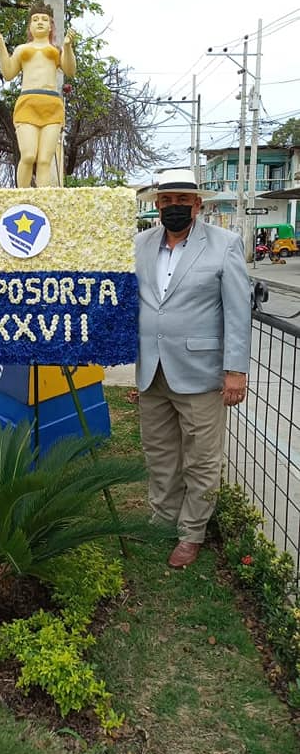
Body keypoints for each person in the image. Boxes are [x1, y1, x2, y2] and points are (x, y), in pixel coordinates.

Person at [135, 168, 252, 568]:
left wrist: (235, 369)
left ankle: (191, 532)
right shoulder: (140, 244)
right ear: (157, 206)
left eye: (183, 200)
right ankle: (163, 518)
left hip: (201, 372)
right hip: (152, 370)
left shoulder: (224, 244)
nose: (175, 207)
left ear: (197, 204)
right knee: (160, 452)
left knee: (201, 459)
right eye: (167, 201)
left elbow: (238, 311)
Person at [0, 3, 76, 187]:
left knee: (44, 160)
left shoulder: (57, 50)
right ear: (30, 26)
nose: (40, 22)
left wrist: (68, 46)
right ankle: (22, 197)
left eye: (44, 20)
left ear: (51, 26)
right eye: (35, 19)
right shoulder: (21, 49)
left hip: (52, 105)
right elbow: (8, 73)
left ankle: (42, 199)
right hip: (28, 103)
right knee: (28, 155)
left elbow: (70, 70)